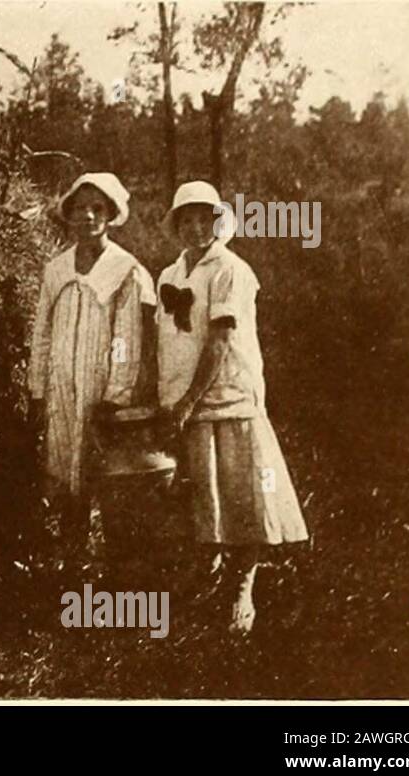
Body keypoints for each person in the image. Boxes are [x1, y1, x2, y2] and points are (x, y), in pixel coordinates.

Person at [156, 181, 309, 634]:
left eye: (206, 218)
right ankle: (208, 577)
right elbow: (166, 338)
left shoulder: (231, 269)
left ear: (219, 222)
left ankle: (243, 587)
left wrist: (189, 400)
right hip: (181, 400)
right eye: (188, 219)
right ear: (177, 224)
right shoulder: (169, 275)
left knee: (245, 496)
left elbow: (221, 340)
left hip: (228, 397)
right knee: (205, 495)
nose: (197, 227)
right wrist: (170, 397)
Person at [26, 173, 156, 564]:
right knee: (63, 465)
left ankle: (113, 561)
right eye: (79, 208)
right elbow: (43, 333)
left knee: (101, 469)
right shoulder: (57, 269)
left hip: (100, 391)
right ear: (68, 215)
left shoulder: (125, 271)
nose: (87, 216)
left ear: (111, 215)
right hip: (61, 385)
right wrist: (37, 388)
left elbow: (126, 340)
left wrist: (114, 395)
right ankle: (72, 549)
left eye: (97, 208)